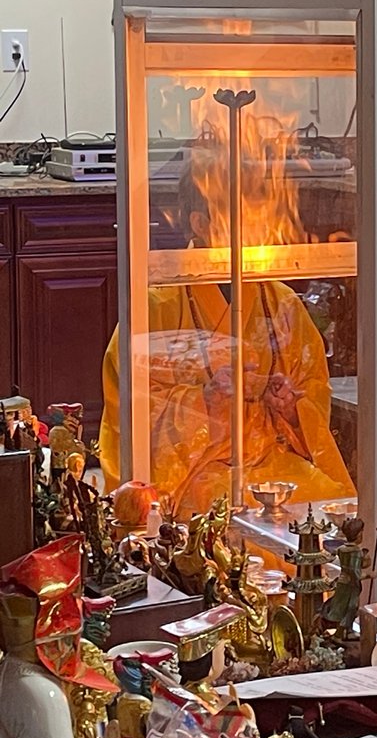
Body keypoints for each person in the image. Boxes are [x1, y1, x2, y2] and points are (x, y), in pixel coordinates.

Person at [100, 147, 355, 518]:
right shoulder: (154, 307)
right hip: (199, 471)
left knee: (335, 512)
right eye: (244, 213)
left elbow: (313, 390)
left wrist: (290, 407)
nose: (259, 224)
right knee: (238, 526)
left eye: (261, 209)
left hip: (273, 462)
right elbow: (131, 413)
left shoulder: (280, 302)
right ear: (201, 224)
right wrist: (205, 400)